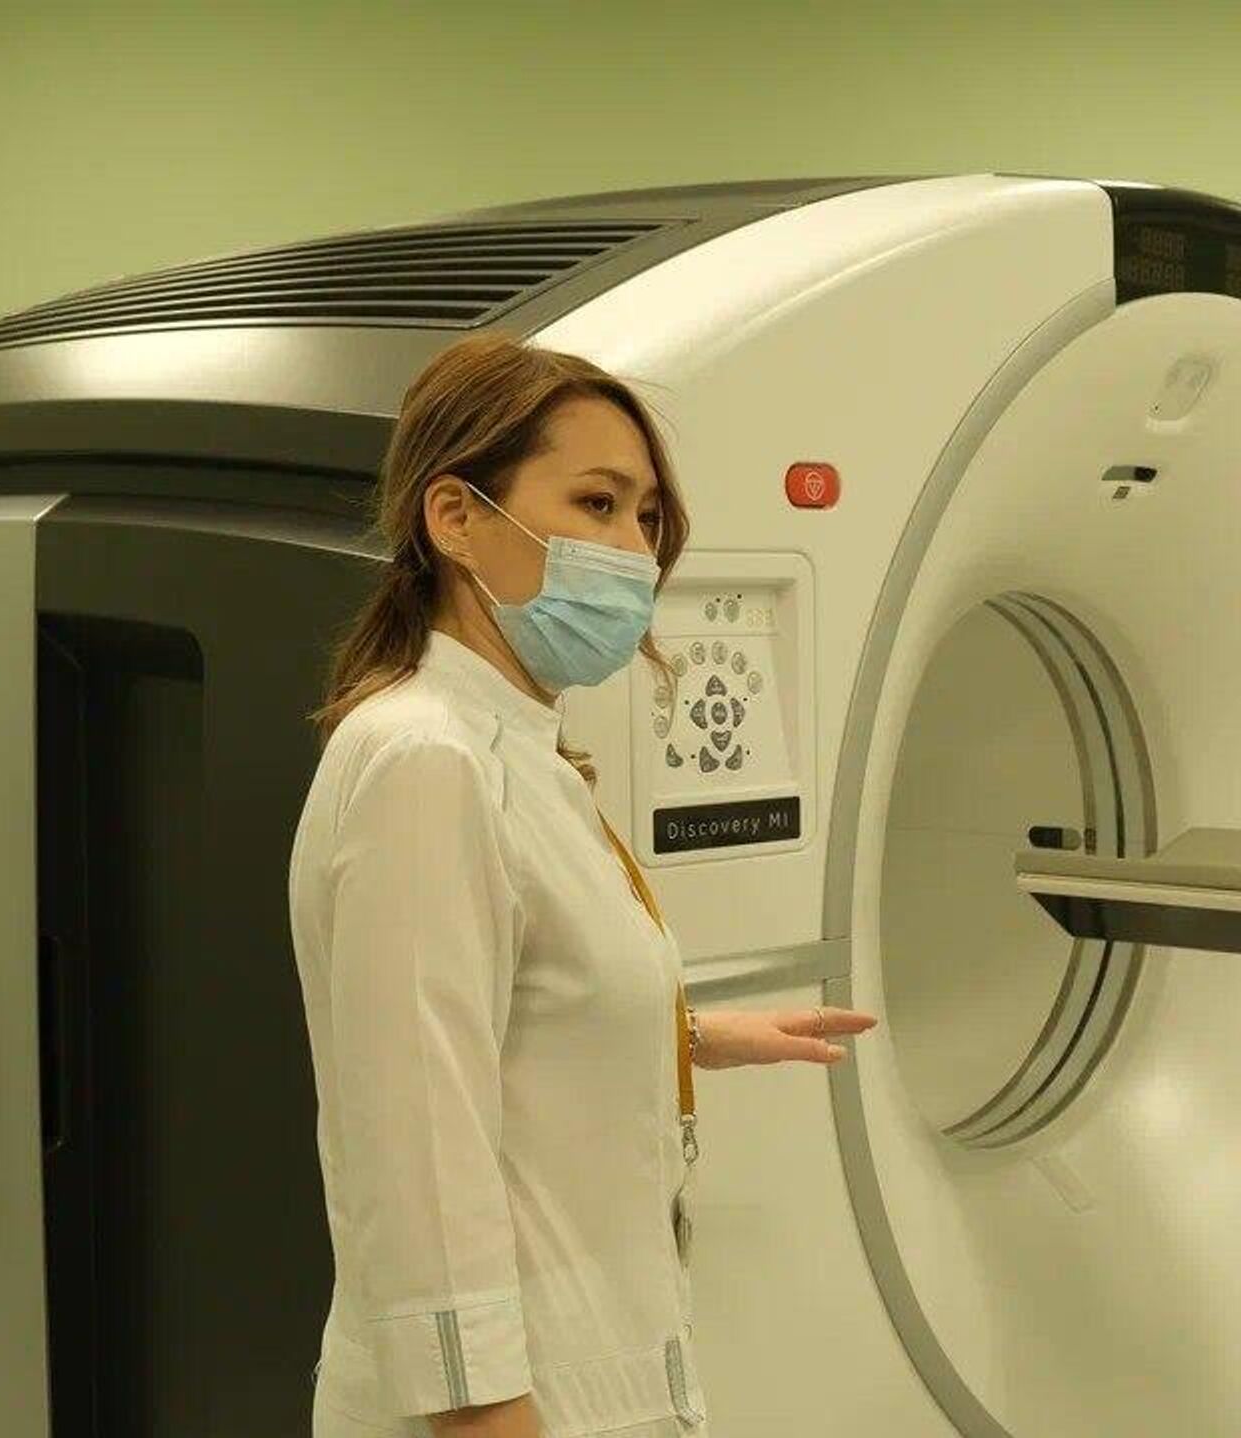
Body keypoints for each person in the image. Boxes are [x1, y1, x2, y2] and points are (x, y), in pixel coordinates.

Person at [288, 332, 876, 1438]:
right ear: (455, 517)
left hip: (591, 1378)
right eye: (597, 503)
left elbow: (503, 1003)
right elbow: (419, 1149)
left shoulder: (519, 748)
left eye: (646, 517)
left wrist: (683, 1032)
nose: (633, 551)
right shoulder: (428, 760)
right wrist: (488, 1418)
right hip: (498, 1406)